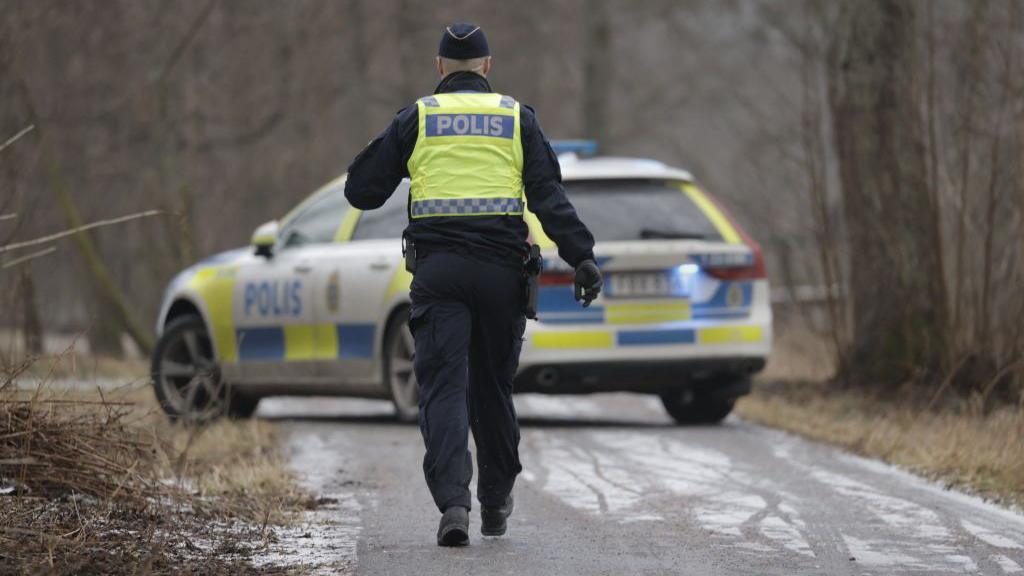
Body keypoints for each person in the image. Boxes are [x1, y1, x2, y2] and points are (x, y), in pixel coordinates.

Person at [344, 22, 602, 547]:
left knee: (443, 388)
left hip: (439, 275)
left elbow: (361, 192)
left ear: (440, 68)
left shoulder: (418, 118)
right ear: (487, 67)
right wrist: (583, 257)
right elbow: (549, 197)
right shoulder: (515, 118)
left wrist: (389, 150)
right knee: (493, 389)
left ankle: (454, 504)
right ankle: (496, 503)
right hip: (501, 274)